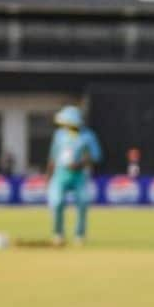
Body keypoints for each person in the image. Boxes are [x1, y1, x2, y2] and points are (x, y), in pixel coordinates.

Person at [47, 105, 102, 247]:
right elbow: (53, 157)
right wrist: (49, 176)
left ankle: (79, 235)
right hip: (61, 173)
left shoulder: (88, 136)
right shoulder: (59, 135)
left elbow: (96, 156)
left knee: (83, 202)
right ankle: (58, 234)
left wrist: (80, 164)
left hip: (79, 175)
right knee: (57, 202)